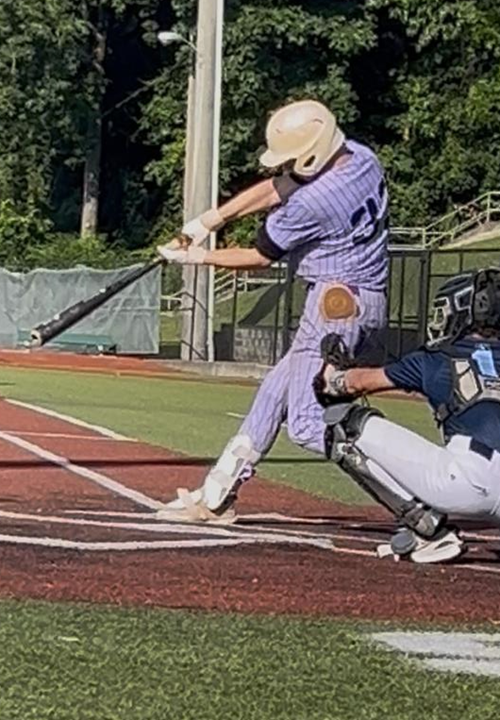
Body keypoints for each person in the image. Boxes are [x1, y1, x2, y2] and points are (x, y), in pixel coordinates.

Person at [157, 99, 389, 522]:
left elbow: (261, 255)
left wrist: (197, 258)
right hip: (355, 300)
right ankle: (217, 496)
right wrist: (208, 222)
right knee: (271, 394)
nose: (284, 165)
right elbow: (280, 186)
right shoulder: (361, 157)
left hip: (337, 306)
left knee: (306, 424)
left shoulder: (313, 203)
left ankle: (417, 491)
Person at [314, 267, 500, 564]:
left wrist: (332, 376)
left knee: (344, 427)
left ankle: (429, 532)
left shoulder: (435, 359)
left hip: (465, 483)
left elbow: (355, 384)